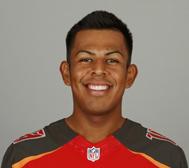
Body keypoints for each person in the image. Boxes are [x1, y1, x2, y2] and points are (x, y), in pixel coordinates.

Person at [1, 10, 188, 168]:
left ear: (129, 75)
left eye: (112, 60)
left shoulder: (167, 158)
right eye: (86, 59)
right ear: (66, 73)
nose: (99, 70)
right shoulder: (22, 157)